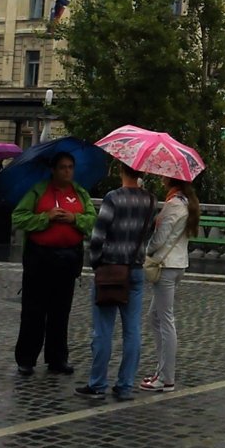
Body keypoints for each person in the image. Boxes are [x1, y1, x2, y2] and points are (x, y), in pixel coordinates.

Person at [76, 164, 156, 401]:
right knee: (132, 331)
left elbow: (98, 235)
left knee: (103, 330)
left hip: (111, 269)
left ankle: (98, 383)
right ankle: (125, 385)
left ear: (122, 170)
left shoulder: (113, 198)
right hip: (136, 269)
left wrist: (96, 262)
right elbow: (148, 234)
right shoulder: (150, 201)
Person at [12, 152, 96, 377]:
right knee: (34, 311)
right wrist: (45, 218)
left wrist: (74, 219)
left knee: (61, 312)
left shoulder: (80, 192)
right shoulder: (38, 191)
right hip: (39, 259)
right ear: (53, 169)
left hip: (68, 259)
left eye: (70, 167)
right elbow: (18, 218)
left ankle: (57, 358)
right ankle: (26, 359)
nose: (67, 171)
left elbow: (92, 219)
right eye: (62, 167)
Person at [140, 177, 200, 393]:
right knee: (155, 317)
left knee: (164, 319)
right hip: (177, 263)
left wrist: (146, 249)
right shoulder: (185, 201)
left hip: (166, 265)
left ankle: (166, 378)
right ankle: (162, 371)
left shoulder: (174, 204)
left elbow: (160, 239)